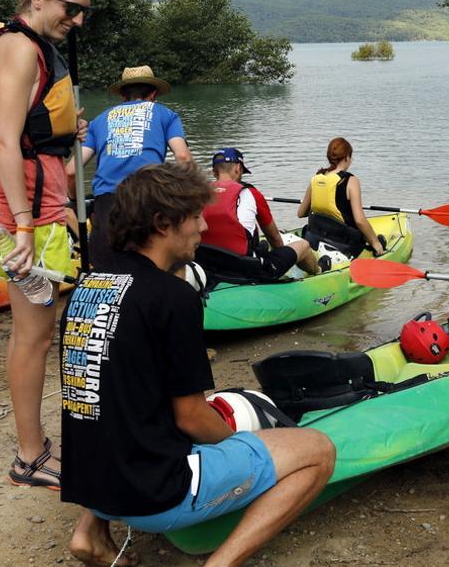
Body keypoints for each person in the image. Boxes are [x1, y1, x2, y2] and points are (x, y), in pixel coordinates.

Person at [60, 163, 335, 567]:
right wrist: (244, 449)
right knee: (318, 451)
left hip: (90, 482)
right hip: (153, 493)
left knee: (109, 398)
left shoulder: (88, 285)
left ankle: (88, 530)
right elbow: (190, 418)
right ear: (162, 223)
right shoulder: (172, 296)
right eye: (195, 217)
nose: (204, 227)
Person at [0, 0, 92, 490]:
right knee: (33, 337)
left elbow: (29, 135)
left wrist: (69, 133)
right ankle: (29, 456)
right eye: (72, 7)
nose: (78, 19)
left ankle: (35, 448)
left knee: (37, 334)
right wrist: (21, 224)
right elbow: (3, 141)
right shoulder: (19, 48)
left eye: (84, 10)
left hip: (40, 206)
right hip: (24, 214)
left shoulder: (34, 46)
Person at [66, 65, 191, 266]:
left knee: (108, 271)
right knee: (155, 268)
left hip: (107, 205)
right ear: (153, 94)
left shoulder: (99, 121)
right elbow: (183, 158)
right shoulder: (166, 114)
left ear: (123, 96)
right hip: (149, 198)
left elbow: (71, 171)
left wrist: (74, 200)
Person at [202, 148, 320, 279]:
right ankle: (319, 273)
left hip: (207, 264)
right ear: (237, 168)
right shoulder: (251, 193)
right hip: (245, 269)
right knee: (303, 245)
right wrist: (283, 258)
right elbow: (274, 238)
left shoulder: (197, 193)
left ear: (214, 171)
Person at [297, 137, 385, 256]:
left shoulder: (316, 179)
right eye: (351, 157)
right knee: (380, 241)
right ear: (347, 157)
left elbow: (301, 213)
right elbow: (360, 220)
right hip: (344, 245)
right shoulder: (351, 181)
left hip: (314, 240)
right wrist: (375, 243)